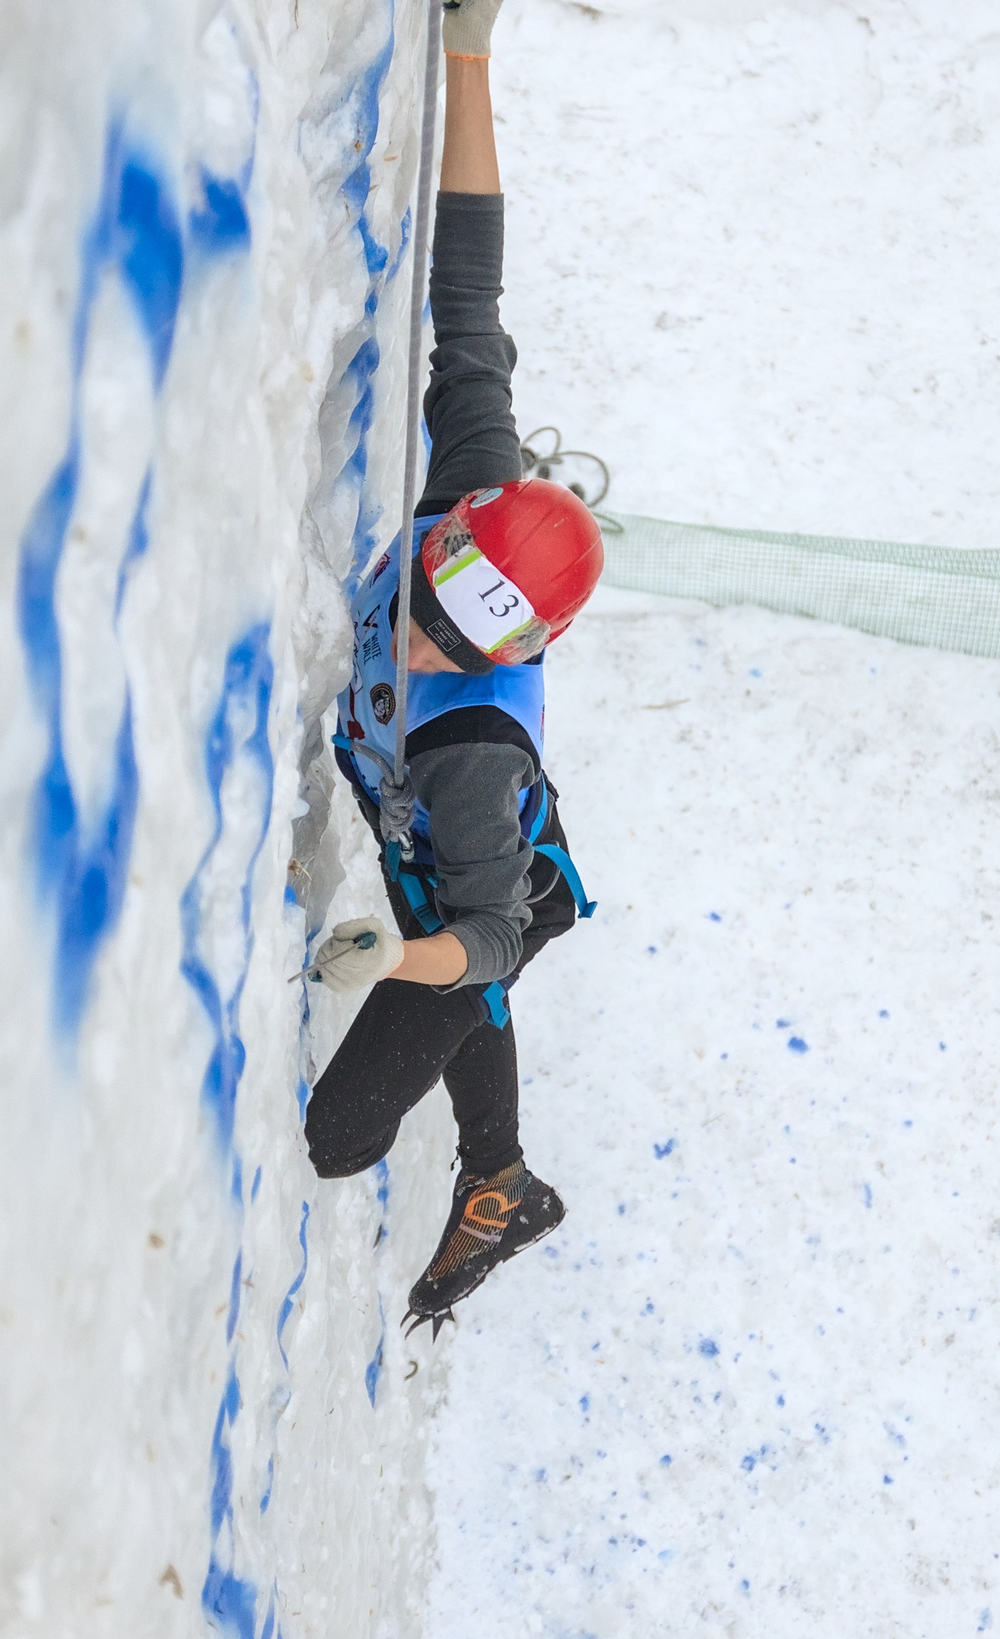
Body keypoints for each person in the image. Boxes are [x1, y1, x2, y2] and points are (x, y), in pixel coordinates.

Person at [302, 0, 605, 1334]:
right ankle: (504, 1180)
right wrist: (471, 58)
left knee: (341, 1134)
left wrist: (389, 949)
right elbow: (470, 295)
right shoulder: (475, 482)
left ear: (523, 649)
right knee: (468, 983)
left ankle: (497, 1182)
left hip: (484, 884)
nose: (422, 640)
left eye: (458, 640)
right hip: (471, 866)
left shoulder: (472, 750)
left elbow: (483, 935)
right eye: (429, 599)